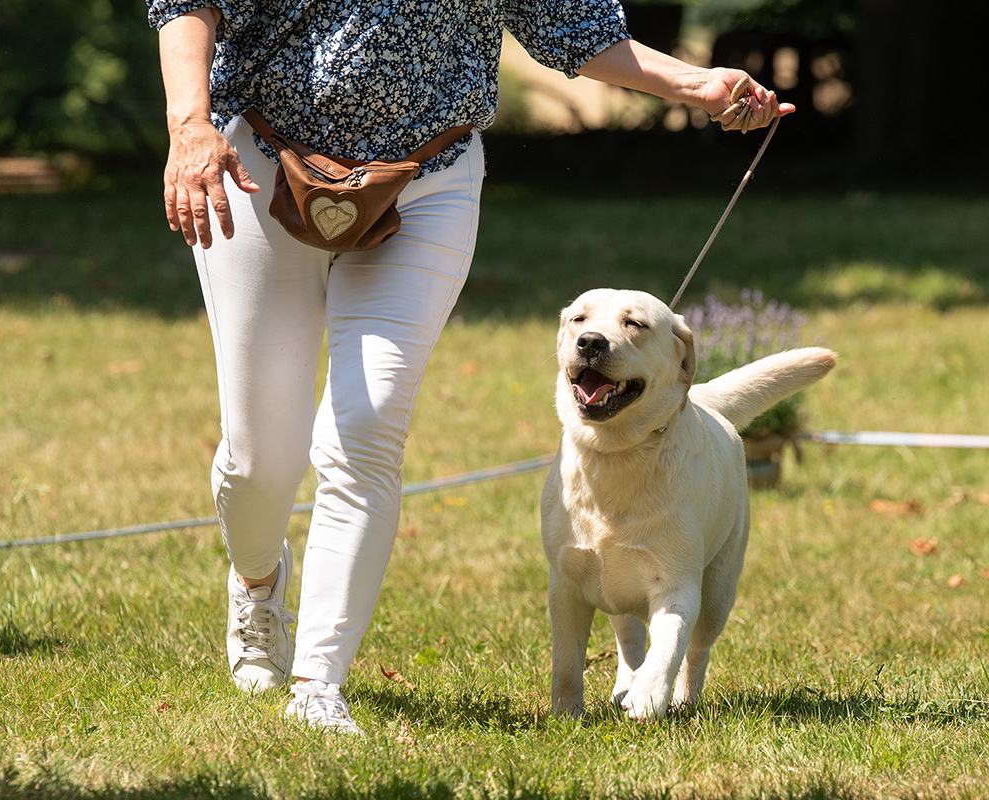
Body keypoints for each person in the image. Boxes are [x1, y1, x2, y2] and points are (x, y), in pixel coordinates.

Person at [146, 0, 792, 733]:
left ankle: (317, 685)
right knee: (263, 458)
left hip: (430, 174)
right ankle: (259, 584)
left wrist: (695, 85)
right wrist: (189, 122)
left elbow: (571, 24)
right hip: (258, 160)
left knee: (366, 427)